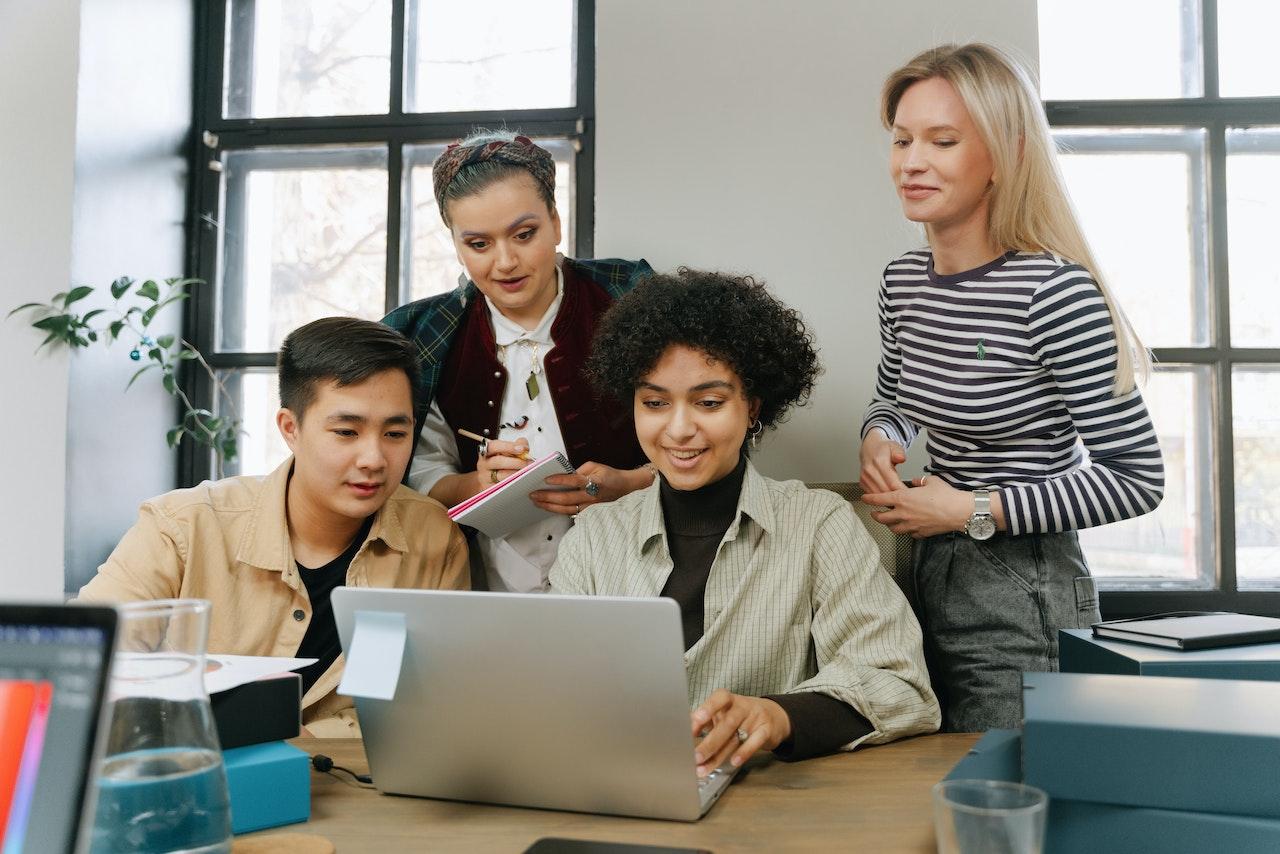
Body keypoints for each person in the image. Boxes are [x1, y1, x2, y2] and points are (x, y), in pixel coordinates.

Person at [859, 43, 1166, 732]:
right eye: (902, 139)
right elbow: (899, 400)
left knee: (1010, 808)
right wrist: (881, 435)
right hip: (926, 569)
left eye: (942, 141)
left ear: (1004, 153)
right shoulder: (902, 282)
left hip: (1025, 584)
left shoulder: (1053, 295)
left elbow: (1136, 479)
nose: (911, 161)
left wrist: (971, 509)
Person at [551, 269, 940, 776]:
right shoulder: (595, 538)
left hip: (769, 813)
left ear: (752, 406)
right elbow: (553, 690)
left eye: (709, 403)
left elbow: (902, 687)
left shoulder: (818, 524)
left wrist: (776, 716)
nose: (679, 428)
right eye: (654, 403)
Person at [79, 317, 469, 736]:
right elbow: (83, 666)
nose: (374, 458)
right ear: (290, 428)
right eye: (346, 432)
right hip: (203, 777)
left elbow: (435, 705)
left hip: (359, 787)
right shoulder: (182, 528)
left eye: (395, 433)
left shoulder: (432, 538)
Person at [383, 131, 654, 594]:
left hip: (635, 578)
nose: (505, 262)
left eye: (524, 235)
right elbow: (419, 471)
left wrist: (628, 485)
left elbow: (704, 435)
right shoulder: (423, 333)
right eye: (478, 244)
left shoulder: (630, 298)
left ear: (555, 221)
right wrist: (474, 484)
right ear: (455, 243)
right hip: (487, 588)